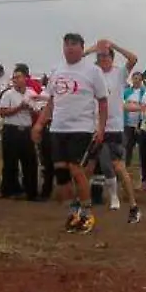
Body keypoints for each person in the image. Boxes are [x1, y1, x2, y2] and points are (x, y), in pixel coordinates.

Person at [33, 33, 112, 233]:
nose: (69, 48)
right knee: (61, 173)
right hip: (58, 128)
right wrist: (40, 124)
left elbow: (103, 101)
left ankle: (87, 213)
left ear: (82, 47)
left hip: (82, 128)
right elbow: (51, 101)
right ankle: (73, 212)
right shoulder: (57, 70)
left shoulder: (92, 71)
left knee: (76, 169)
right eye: (66, 44)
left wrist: (101, 128)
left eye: (74, 44)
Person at [93, 42, 143, 223]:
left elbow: (133, 59)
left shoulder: (119, 73)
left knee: (118, 166)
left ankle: (133, 205)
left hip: (113, 127)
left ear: (112, 58)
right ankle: (94, 200)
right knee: (93, 165)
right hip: (95, 126)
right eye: (100, 57)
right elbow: (77, 60)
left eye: (106, 56)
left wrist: (113, 44)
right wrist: (95, 48)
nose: (103, 59)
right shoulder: (94, 73)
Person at [0, 66, 41, 200]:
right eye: (14, 77)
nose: (15, 80)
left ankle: (31, 192)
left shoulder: (31, 93)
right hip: (11, 129)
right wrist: (20, 107)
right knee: (10, 162)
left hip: (26, 130)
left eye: (18, 77)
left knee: (30, 162)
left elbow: (37, 111)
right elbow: (2, 112)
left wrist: (31, 109)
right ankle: (8, 190)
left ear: (26, 78)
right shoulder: (8, 94)